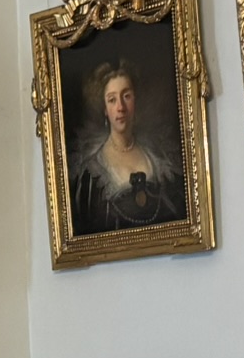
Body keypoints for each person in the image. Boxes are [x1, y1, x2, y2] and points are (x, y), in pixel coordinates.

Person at [67, 60, 186, 233]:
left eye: (126, 96)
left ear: (135, 100)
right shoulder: (91, 175)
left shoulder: (156, 160)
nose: (120, 107)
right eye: (112, 100)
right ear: (105, 109)